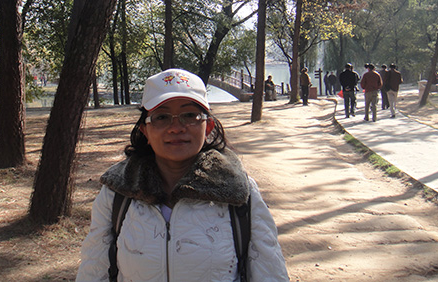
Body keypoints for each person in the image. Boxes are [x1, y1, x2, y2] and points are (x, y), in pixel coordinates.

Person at [75, 68, 289, 282]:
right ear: (145, 130)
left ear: (208, 126)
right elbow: (94, 272)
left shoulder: (240, 193)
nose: (176, 128)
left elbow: (270, 274)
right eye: (161, 117)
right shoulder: (117, 194)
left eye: (189, 116)